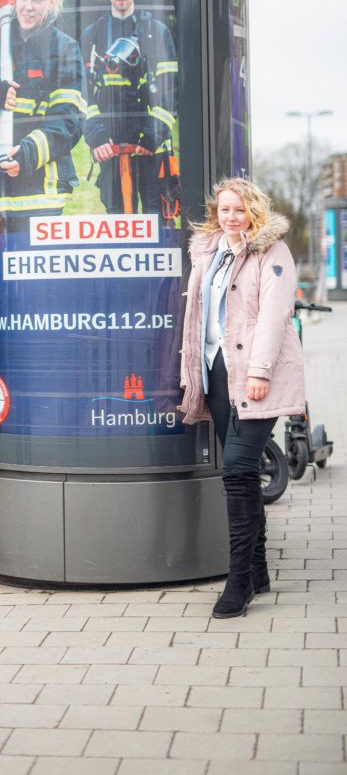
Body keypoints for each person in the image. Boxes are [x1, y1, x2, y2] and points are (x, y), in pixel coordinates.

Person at [179, 178, 305, 618]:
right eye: (224, 209)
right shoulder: (210, 251)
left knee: (235, 469)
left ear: (254, 211)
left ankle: (238, 583)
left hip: (254, 375)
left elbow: (274, 316)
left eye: (239, 209)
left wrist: (259, 372)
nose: (231, 217)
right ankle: (259, 570)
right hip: (215, 373)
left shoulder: (273, 252)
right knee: (245, 471)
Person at [0, 0, 85, 223]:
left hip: (42, 197)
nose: (28, 6)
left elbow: (68, 122)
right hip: (0, 192)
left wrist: (25, 154)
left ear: (52, 2)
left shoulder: (65, 49)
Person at [82, 0, 178, 216]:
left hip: (150, 146)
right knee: (116, 217)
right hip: (109, 144)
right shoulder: (93, 35)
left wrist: (152, 136)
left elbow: (170, 92)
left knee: (154, 216)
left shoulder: (157, 32)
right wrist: (97, 138)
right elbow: (84, 94)